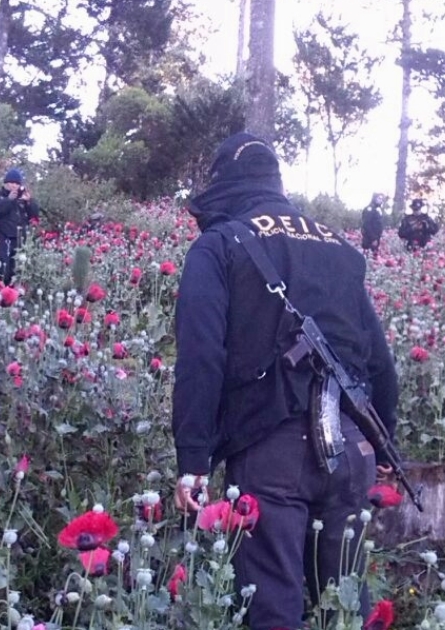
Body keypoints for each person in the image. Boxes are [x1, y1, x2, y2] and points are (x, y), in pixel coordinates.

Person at [171, 132, 399, 629]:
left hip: (270, 451)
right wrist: (385, 446)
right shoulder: (338, 246)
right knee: (342, 606)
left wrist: (193, 460)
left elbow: (201, 356)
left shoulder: (218, 244)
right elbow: (379, 359)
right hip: (353, 444)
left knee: (272, 606)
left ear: (224, 180)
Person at [0, 168, 39, 285]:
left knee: (15, 271)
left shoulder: (22, 199)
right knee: (0, 270)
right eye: (12, 183)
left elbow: (35, 215)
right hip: (2, 237)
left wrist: (29, 202)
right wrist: (9, 199)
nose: (14, 186)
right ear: (6, 183)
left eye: (17, 183)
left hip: (19, 240)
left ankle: (11, 295)